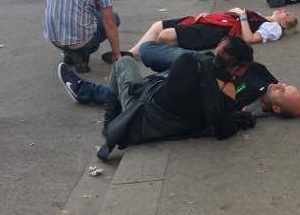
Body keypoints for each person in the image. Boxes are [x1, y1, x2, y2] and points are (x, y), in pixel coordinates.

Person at [58, 35, 300, 121]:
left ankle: (85, 91)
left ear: (274, 107)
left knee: (145, 85)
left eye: (282, 91)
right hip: (203, 61)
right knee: (147, 51)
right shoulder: (265, 77)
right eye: (286, 84)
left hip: (196, 75)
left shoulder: (245, 107)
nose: (279, 84)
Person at [84, 52, 259, 161]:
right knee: (139, 77)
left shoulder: (198, 76)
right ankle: (89, 94)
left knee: (124, 62)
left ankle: (109, 120)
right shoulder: (224, 94)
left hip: (140, 117)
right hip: (155, 115)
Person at [128, 7, 298, 56]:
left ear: (284, 25)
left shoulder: (273, 27)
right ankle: (130, 54)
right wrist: (211, 15)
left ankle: (149, 53)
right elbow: (233, 14)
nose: (284, 10)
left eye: (287, 14)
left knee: (164, 36)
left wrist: (242, 16)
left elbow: (249, 38)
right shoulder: (264, 17)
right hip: (216, 21)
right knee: (159, 25)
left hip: (217, 31)